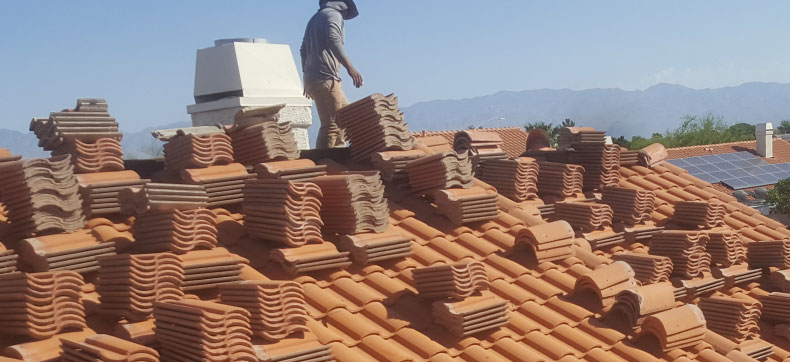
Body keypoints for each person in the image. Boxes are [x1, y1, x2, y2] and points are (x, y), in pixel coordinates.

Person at [300, 0, 363, 149]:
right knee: (331, 125)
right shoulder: (333, 15)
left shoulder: (314, 19)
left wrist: (307, 76)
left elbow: (303, 50)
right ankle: (322, 159)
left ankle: (339, 158)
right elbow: (333, 40)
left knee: (345, 117)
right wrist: (350, 68)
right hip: (325, 78)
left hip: (317, 79)